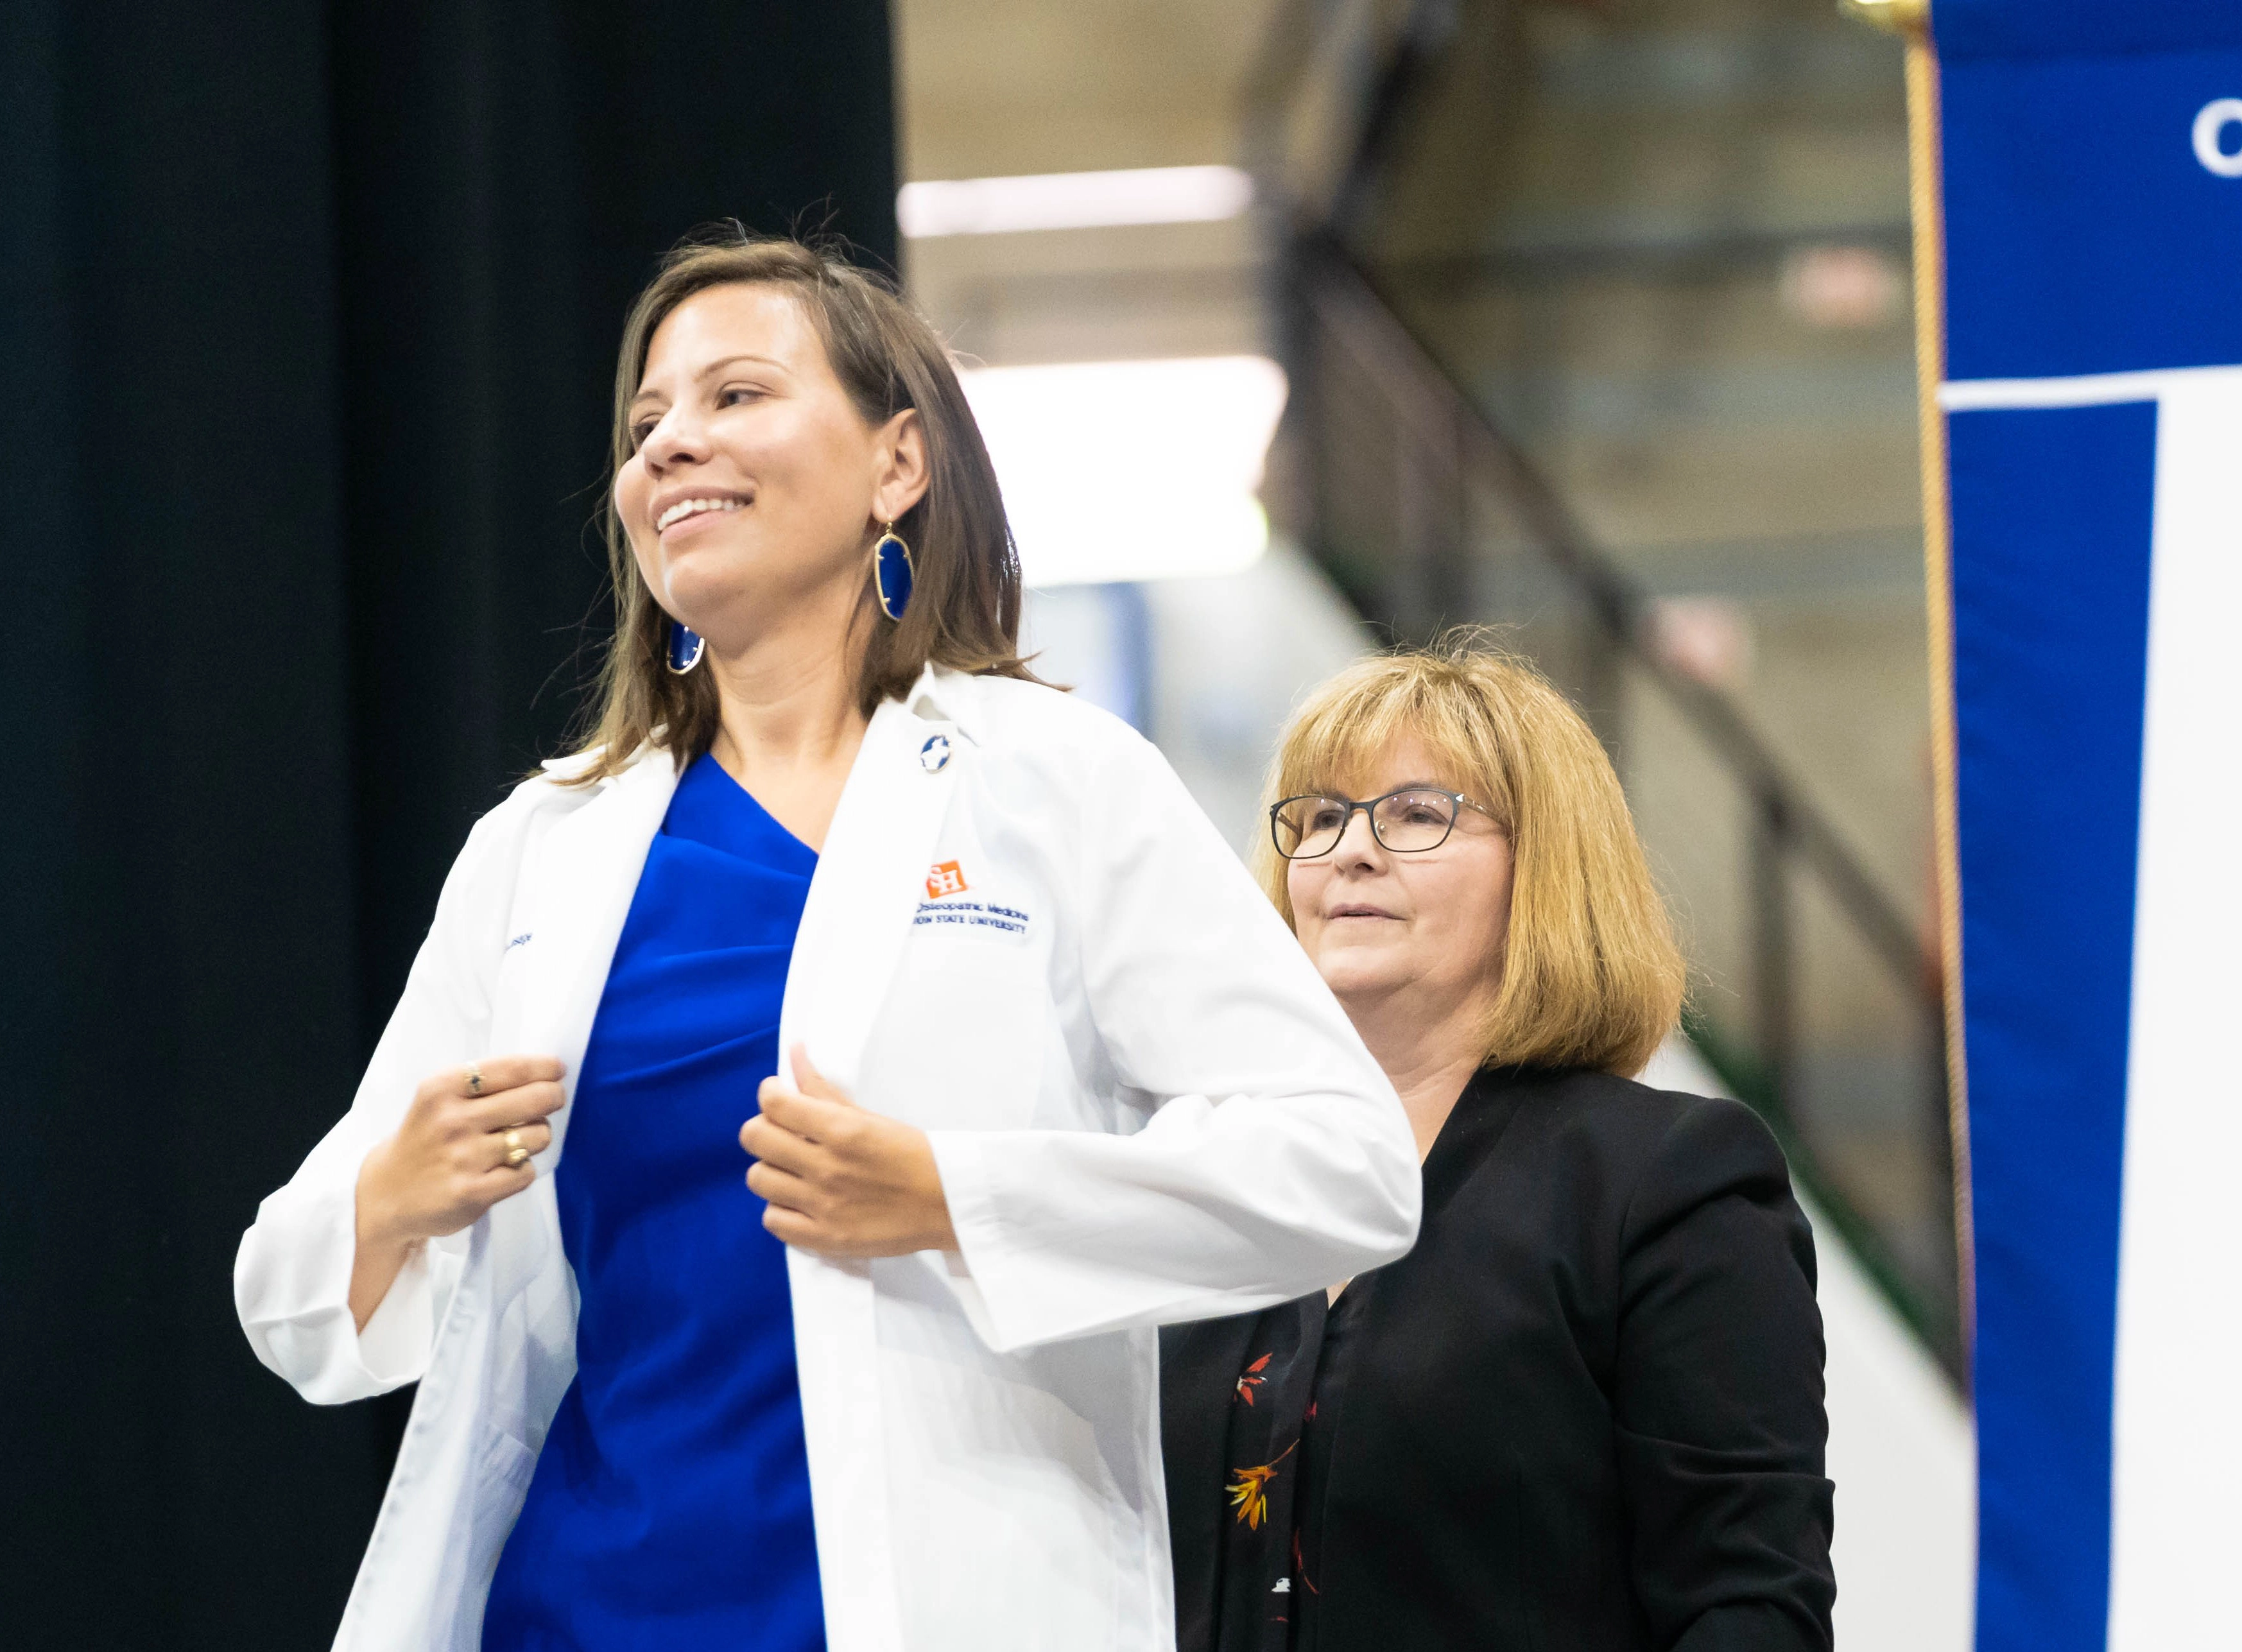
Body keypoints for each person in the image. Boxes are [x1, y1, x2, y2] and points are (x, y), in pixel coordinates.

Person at [232, 229, 1420, 1652]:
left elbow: (1343, 1166)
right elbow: (285, 1287)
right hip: (572, 1613)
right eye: (645, 422)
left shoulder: (1054, 782)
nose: (671, 445)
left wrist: (955, 1198)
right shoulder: (543, 847)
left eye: (734, 396)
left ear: (896, 465)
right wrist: (391, 1199)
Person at [1159, 644, 1834, 1652]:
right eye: (1321, 816)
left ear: (1545, 868)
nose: (1349, 849)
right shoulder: (1215, 1175)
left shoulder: (1663, 1182)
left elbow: (1748, 1608)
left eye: (1418, 813)